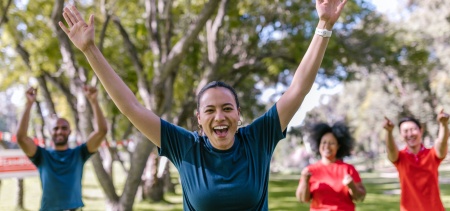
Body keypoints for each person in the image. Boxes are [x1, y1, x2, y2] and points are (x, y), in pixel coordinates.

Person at [59, 0, 348, 210]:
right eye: (210, 110)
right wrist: (90, 50)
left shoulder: (258, 139)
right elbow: (131, 107)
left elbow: (298, 88)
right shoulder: (185, 147)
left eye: (227, 108)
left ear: (239, 114)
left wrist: (324, 25)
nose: (219, 116)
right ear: (199, 119)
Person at [16, 86, 108, 211]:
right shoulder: (42, 156)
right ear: (50, 132)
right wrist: (28, 104)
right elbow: (21, 138)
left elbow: (101, 131)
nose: (60, 131)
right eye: (56, 128)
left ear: (70, 131)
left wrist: (94, 102)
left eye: (64, 128)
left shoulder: (79, 154)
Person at [383, 111, 449, 211]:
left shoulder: (432, 154)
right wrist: (388, 132)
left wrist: (443, 124)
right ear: (401, 135)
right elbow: (391, 150)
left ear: (421, 131)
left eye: (413, 129)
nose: (410, 134)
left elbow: (442, 143)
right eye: (405, 131)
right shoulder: (400, 158)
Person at [296, 122, 366, 210]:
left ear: (338, 146)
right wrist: (305, 181)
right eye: (324, 142)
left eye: (332, 143)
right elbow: (302, 199)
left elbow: (360, 197)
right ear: (319, 144)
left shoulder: (348, 169)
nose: (327, 146)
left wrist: (352, 186)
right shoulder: (309, 171)